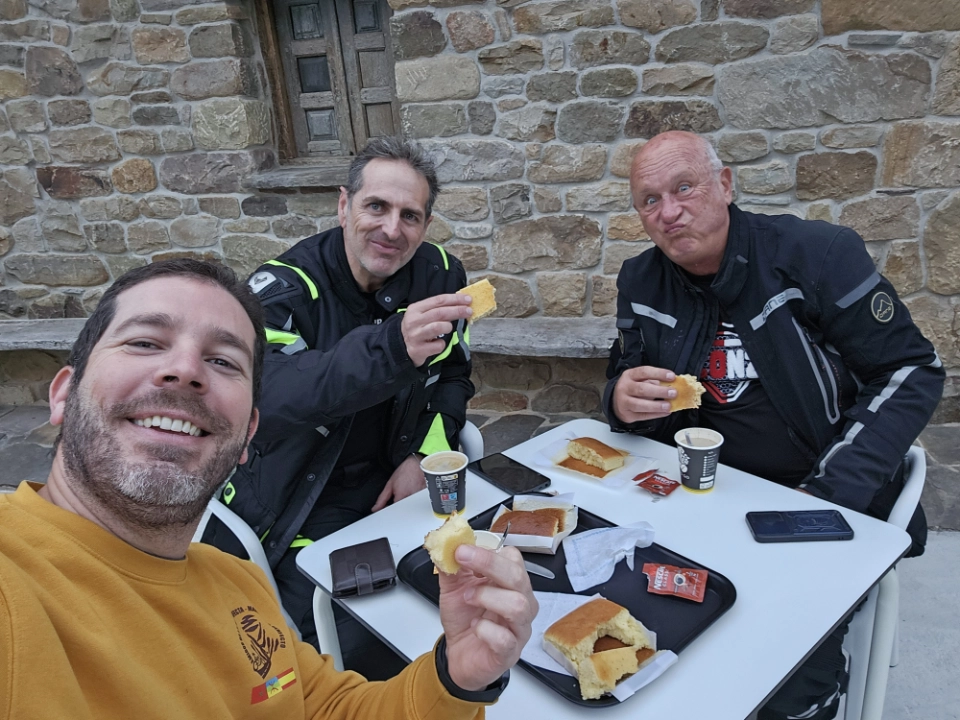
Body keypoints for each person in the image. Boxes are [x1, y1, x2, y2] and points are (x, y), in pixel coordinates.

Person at [0, 259, 537, 720]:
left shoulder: (240, 585)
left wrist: (454, 679)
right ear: (63, 394)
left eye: (222, 361)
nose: (185, 370)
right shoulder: (15, 585)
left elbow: (326, 708)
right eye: (145, 342)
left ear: (247, 435)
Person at [604, 131, 944, 720]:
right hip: (698, 498)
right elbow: (626, 371)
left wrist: (827, 493)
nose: (669, 212)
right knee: (627, 620)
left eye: (684, 188)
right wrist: (619, 397)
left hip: (818, 490)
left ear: (725, 185)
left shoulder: (819, 255)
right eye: (650, 200)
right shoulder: (640, 279)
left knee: (779, 666)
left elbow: (912, 370)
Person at [206, 137, 476, 650]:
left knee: (471, 594)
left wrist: (424, 456)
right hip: (303, 499)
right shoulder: (284, 288)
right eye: (376, 206)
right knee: (362, 638)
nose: (391, 229)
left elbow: (454, 376)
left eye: (410, 216)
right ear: (344, 205)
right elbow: (265, 398)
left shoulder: (442, 274)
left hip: (400, 480)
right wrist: (390, 347)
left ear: (425, 225)